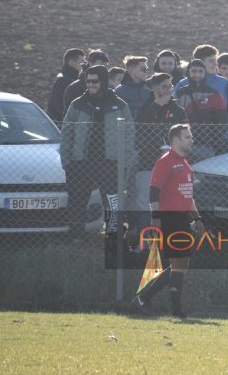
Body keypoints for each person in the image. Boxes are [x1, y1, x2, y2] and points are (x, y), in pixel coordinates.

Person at [134, 124, 204, 318]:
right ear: (176, 140)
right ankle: (175, 311)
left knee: (181, 264)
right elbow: (153, 191)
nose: (191, 140)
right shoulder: (165, 161)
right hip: (169, 218)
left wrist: (197, 217)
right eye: (187, 137)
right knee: (179, 262)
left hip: (182, 218)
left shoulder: (184, 162)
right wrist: (155, 217)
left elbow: (187, 195)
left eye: (191, 136)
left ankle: (145, 297)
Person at [60, 64, 135, 237]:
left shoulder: (119, 105)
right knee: (77, 203)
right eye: (88, 81)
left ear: (104, 81)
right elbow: (66, 134)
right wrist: (67, 162)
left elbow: (129, 136)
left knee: (113, 203)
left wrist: (124, 163)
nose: (90, 85)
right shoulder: (78, 104)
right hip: (80, 163)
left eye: (95, 81)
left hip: (110, 163)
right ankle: (76, 238)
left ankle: (113, 237)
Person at [132, 73, 188, 247]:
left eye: (170, 86)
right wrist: (156, 106)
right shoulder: (143, 107)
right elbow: (138, 127)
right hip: (147, 163)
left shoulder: (177, 109)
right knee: (145, 203)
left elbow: (186, 132)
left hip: (172, 166)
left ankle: (169, 243)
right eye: (164, 86)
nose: (168, 90)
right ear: (153, 88)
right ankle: (146, 243)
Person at [174, 45, 228, 145]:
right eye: (211, 61)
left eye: (216, 60)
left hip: (221, 137)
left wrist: (227, 126)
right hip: (191, 137)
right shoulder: (182, 84)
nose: (216, 63)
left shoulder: (224, 83)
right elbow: (173, 108)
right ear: (200, 62)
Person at [174, 59, 228, 161]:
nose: (197, 75)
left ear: (205, 73)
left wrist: (213, 140)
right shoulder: (179, 94)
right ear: (188, 72)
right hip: (183, 144)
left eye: (201, 71)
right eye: (194, 71)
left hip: (207, 145)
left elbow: (222, 120)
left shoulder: (214, 93)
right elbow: (173, 119)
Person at [63, 49, 110, 116]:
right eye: (101, 65)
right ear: (91, 64)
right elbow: (69, 117)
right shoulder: (75, 88)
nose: (104, 69)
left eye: (106, 66)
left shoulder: (109, 88)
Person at [47, 48, 85, 123]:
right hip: (61, 125)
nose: (84, 64)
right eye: (82, 62)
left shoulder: (68, 78)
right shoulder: (65, 80)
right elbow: (60, 106)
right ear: (71, 63)